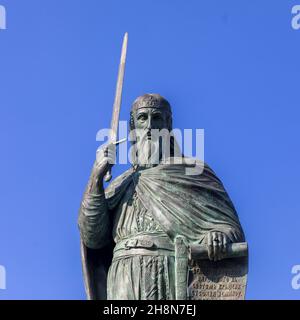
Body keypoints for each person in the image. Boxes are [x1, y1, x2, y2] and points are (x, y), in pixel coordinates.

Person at [78, 93, 245, 300]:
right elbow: (92, 237)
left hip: (170, 269)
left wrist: (219, 235)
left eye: (156, 118)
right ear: (132, 127)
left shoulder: (192, 172)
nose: (149, 126)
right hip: (123, 275)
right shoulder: (120, 183)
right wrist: (96, 177)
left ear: (168, 124)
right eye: (142, 118)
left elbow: (229, 228)